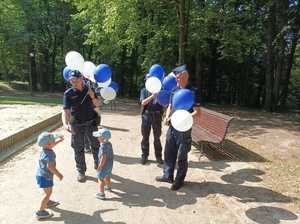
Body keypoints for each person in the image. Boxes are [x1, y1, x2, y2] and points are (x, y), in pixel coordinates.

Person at [156, 65, 200, 191]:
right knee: (169, 152)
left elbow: (198, 112)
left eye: (179, 77)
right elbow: (170, 104)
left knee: (181, 155)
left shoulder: (192, 91)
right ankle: (167, 175)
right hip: (172, 126)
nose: (177, 79)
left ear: (186, 77)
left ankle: (179, 180)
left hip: (184, 128)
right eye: (176, 77)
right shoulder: (174, 89)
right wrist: (167, 116)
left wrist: (183, 118)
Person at [62, 70, 101, 182]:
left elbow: (98, 104)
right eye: (71, 80)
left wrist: (92, 96)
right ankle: (81, 171)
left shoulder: (90, 89)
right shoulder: (68, 93)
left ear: (81, 79)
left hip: (91, 122)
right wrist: (65, 124)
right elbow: (65, 111)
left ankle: (99, 166)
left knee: (96, 145)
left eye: (76, 80)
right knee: (78, 148)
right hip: (76, 124)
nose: (73, 82)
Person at [35, 131, 64, 220]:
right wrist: (59, 175)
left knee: (46, 192)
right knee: (48, 193)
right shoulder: (50, 154)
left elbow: (50, 145)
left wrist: (59, 140)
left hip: (40, 174)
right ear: (49, 144)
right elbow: (50, 167)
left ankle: (47, 203)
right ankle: (40, 211)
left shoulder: (44, 149)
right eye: (53, 140)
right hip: (46, 177)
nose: (55, 141)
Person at [140, 75, 164, 165]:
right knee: (145, 137)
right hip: (146, 115)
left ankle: (158, 157)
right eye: (147, 80)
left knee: (157, 137)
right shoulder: (143, 90)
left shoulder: (160, 91)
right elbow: (143, 103)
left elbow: (164, 104)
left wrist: (159, 98)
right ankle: (144, 155)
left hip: (157, 115)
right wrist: (152, 96)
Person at [93, 128, 114, 200]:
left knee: (100, 178)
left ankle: (101, 193)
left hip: (104, 165)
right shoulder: (109, 144)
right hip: (110, 164)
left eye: (99, 137)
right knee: (107, 175)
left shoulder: (103, 147)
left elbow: (103, 158)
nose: (97, 138)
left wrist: (100, 166)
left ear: (103, 138)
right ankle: (108, 186)